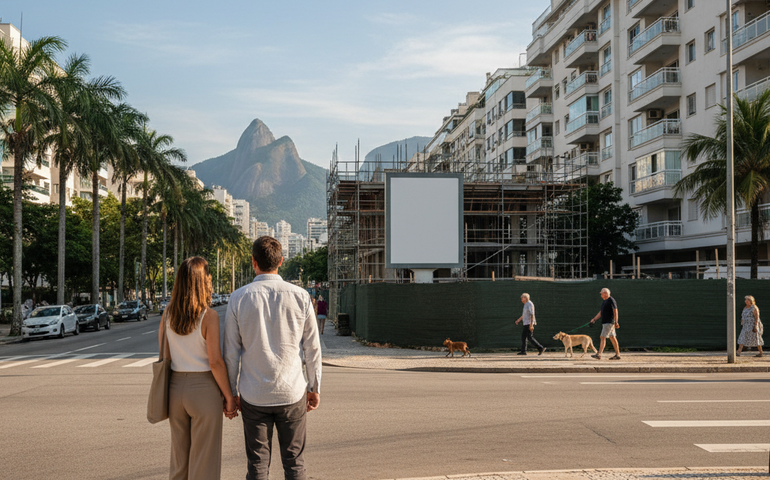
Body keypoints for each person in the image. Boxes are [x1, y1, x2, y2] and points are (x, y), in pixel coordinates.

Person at [224, 236, 322, 480]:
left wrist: (231, 394)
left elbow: (231, 352)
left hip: (253, 395)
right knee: (295, 463)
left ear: (254, 262)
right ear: (280, 261)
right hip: (292, 393)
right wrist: (314, 387)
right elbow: (312, 348)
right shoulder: (301, 296)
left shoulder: (238, 298)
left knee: (257, 464)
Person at [161, 256, 238, 480]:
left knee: (179, 459)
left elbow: (164, 356)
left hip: (175, 388)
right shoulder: (208, 316)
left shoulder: (167, 314)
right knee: (205, 461)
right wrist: (229, 397)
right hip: (203, 389)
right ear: (202, 281)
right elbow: (215, 362)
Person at [589, 287, 621, 360]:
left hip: (609, 322)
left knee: (602, 337)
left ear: (605, 293)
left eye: (601, 293)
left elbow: (615, 311)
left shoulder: (611, 300)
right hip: (607, 322)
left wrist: (616, 322)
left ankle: (599, 354)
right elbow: (601, 312)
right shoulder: (604, 301)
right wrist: (594, 319)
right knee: (612, 338)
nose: (600, 295)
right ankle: (618, 355)